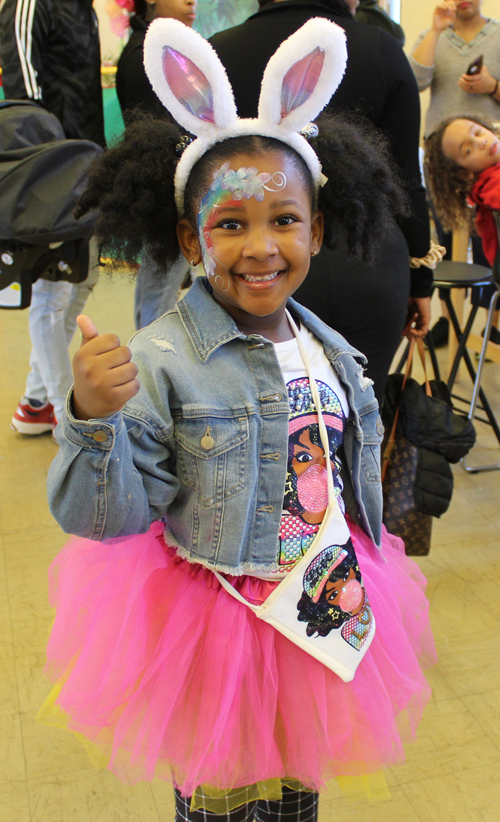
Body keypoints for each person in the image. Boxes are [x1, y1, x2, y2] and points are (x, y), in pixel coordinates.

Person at [38, 19, 435, 820]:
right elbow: (102, 514)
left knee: (297, 793)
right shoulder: (161, 358)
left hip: (321, 607)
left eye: (284, 220)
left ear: (317, 231)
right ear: (191, 238)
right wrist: (91, 417)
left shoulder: (332, 351)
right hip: (220, 620)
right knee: (218, 801)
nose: (261, 246)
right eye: (230, 224)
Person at [209, 0, 433, 406]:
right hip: (369, 261)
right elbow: (406, 184)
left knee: (261, 422)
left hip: (255, 262)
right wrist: (421, 278)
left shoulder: (219, 52)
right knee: (362, 419)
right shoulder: (380, 49)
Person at [0, 0, 105, 433]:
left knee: (84, 280)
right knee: (51, 296)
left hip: (87, 167)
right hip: (50, 176)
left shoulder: (84, 9)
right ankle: (67, 420)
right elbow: (24, 104)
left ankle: (35, 401)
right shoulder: (30, 3)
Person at [410, 0, 500, 347]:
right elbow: (415, 79)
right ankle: (450, 322)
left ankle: (490, 321)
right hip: (447, 164)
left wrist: (492, 86)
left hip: (491, 164)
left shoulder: (496, 35)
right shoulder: (435, 33)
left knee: (487, 241)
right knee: (446, 242)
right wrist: (435, 29)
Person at [116, 0, 197, 330]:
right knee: (159, 292)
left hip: (165, 188)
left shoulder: (154, 49)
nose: (191, 2)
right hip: (164, 191)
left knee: (157, 286)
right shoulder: (145, 56)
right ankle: (155, 371)